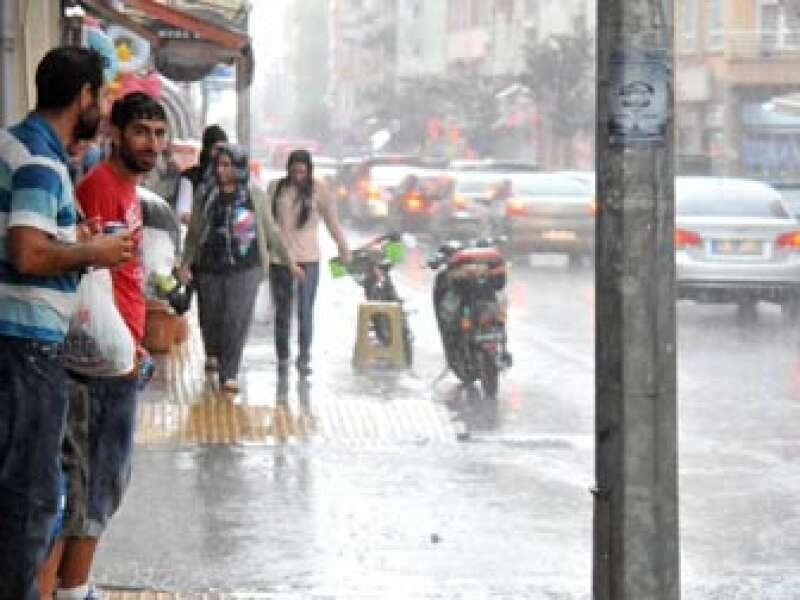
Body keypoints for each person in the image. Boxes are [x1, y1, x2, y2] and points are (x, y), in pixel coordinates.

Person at [0, 46, 134, 600]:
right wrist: (93, 252)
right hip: (27, 350)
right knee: (30, 499)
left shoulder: (11, 143)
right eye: (99, 97)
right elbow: (27, 252)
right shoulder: (41, 159)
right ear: (84, 96)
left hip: (13, 343)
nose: (99, 110)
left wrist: (72, 240)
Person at [36, 92, 168, 600]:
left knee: (104, 480)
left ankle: (74, 585)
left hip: (121, 357)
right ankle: (71, 587)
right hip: (99, 367)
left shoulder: (127, 191)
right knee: (91, 483)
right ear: (114, 132)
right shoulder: (99, 189)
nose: (151, 143)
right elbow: (88, 283)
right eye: (141, 131)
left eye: (158, 133)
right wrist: (118, 349)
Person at [179, 143, 303, 392]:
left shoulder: (254, 196)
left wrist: (289, 262)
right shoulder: (206, 194)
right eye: (219, 165)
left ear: (238, 167)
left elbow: (271, 231)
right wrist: (185, 262)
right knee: (211, 317)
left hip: (246, 267)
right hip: (210, 266)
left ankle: (230, 373)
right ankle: (213, 352)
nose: (221, 170)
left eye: (227, 165)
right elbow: (194, 231)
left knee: (236, 319)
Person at [268, 149, 351, 377]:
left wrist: (343, 247)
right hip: (280, 259)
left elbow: (333, 222)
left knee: (305, 310)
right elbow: (267, 223)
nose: (297, 176)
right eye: (294, 171)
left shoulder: (319, 189)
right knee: (282, 311)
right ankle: (282, 356)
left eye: (302, 172)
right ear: (288, 170)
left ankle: (304, 356)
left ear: (309, 171)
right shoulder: (276, 188)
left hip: (308, 259)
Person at [173, 124, 227, 225]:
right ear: (207, 149)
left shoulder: (230, 178)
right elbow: (182, 213)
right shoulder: (190, 177)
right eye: (216, 149)